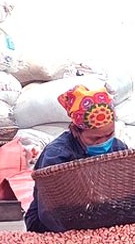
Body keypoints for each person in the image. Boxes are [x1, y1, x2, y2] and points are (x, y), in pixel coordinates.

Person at [24, 85, 127, 233]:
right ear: (75, 131)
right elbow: (50, 209)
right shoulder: (57, 155)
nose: (103, 142)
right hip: (51, 222)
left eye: (109, 135)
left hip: (100, 216)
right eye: (95, 138)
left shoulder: (118, 149)